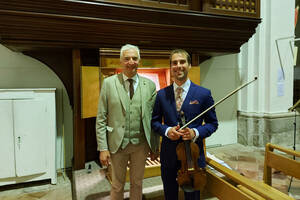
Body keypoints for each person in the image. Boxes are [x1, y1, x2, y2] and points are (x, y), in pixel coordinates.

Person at [151, 49, 218, 200]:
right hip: (168, 155)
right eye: (174, 63)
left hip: (192, 157)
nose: (178, 66)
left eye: (182, 62)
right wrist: (167, 131)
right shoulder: (161, 95)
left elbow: (213, 124)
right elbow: (154, 122)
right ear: (171, 67)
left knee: (192, 196)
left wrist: (196, 132)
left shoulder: (203, 94)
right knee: (170, 195)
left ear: (189, 66)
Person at [96, 44, 159, 200]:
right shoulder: (109, 84)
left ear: (139, 60)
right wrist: (103, 147)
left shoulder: (149, 85)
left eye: (134, 58)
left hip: (141, 145)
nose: (131, 62)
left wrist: (154, 145)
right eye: (127, 59)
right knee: (117, 184)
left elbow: (153, 118)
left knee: (137, 183)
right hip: (118, 144)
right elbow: (101, 117)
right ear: (121, 61)